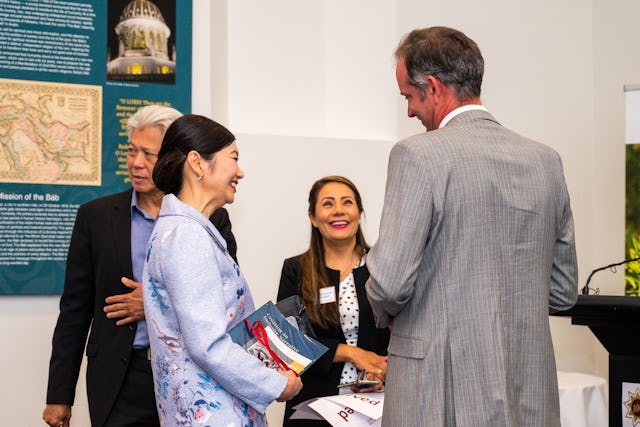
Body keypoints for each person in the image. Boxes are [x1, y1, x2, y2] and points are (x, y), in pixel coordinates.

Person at [365, 26, 579, 426]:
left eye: (409, 98)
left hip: (439, 389)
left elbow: (389, 283)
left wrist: (387, 310)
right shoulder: (546, 161)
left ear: (433, 87)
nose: (409, 111)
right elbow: (563, 292)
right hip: (528, 385)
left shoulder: (417, 155)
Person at [43, 105, 238, 427]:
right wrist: (59, 395)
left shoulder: (212, 217)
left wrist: (153, 302)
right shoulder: (96, 217)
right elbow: (74, 311)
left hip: (188, 375)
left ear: (174, 159)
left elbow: (225, 298)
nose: (136, 163)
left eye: (149, 154)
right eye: (131, 151)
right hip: (120, 380)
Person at [142, 114, 302, 426]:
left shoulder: (184, 229)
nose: (240, 172)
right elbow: (208, 345)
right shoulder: (186, 236)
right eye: (233, 158)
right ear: (198, 163)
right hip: (214, 413)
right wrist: (277, 384)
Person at [277, 175, 390, 427]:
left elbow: (403, 329)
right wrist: (350, 353)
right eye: (328, 204)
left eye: (347, 202)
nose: (339, 210)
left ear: (359, 212)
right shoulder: (296, 269)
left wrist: (380, 370)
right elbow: (286, 338)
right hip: (313, 406)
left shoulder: (382, 267)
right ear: (313, 217)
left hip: (375, 406)